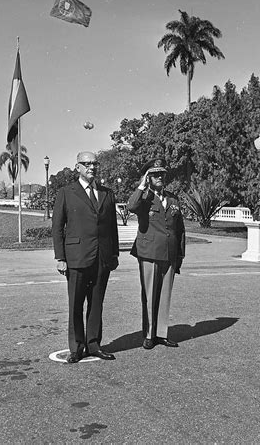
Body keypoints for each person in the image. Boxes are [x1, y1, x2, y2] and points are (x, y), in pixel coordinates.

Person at [52, 151, 119, 363]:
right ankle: (77, 347)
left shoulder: (107, 194)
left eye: (95, 163)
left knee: (96, 303)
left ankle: (93, 344)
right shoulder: (66, 192)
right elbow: (57, 228)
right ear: (77, 167)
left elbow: (112, 227)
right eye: (86, 163)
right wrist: (60, 257)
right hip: (76, 257)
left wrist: (114, 253)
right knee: (76, 304)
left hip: (102, 257)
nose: (92, 167)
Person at [127, 157, 185, 350]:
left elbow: (180, 229)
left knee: (165, 295)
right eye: (154, 174)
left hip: (169, 253)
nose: (159, 177)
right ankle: (149, 334)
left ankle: (161, 333)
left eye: (162, 174)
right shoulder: (143, 198)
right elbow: (131, 207)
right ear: (148, 177)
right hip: (149, 252)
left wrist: (180, 255)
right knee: (150, 295)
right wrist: (141, 186)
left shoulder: (173, 198)